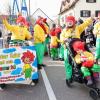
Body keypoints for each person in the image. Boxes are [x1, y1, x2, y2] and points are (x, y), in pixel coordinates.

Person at [60, 15, 94, 83]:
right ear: (66, 22)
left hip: (78, 48)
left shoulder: (77, 28)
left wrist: (90, 19)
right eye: (68, 22)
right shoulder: (64, 31)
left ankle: (86, 72)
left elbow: (84, 24)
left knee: (82, 58)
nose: (69, 23)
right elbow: (61, 38)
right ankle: (69, 76)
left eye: (71, 22)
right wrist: (65, 40)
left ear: (73, 22)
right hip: (68, 49)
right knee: (68, 62)